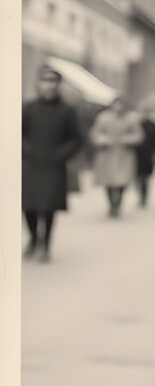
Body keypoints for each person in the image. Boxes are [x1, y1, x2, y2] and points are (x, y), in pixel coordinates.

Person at [22, 63, 83, 262]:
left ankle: (46, 245)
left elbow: (77, 138)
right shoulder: (29, 108)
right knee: (27, 207)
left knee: (49, 208)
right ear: (39, 84)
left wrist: (62, 154)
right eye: (45, 81)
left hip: (54, 167)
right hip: (31, 166)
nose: (49, 86)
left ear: (58, 85)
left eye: (53, 82)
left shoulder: (68, 111)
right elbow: (18, 134)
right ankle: (33, 238)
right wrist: (27, 150)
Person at [90, 96, 144, 217]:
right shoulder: (103, 118)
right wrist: (101, 139)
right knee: (108, 181)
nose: (118, 108)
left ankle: (118, 203)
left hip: (124, 155)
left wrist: (128, 139)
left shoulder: (130, 119)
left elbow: (139, 135)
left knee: (122, 181)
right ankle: (111, 204)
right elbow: (95, 133)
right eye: (116, 104)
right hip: (107, 154)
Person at [135, 95, 155, 207]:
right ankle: (140, 195)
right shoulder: (136, 124)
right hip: (137, 154)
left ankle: (144, 197)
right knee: (137, 177)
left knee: (145, 178)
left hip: (148, 154)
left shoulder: (154, 125)